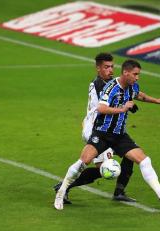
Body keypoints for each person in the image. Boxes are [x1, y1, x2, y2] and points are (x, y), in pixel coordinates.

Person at [54, 59, 160, 210]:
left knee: (144, 160)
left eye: (138, 75)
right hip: (102, 133)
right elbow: (101, 108)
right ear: (126, 73)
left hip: (119, 135)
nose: (137, 77)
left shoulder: (132, 86)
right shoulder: (110, 87)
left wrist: (157, 101)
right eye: (135, 74)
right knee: (87, 163)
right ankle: (61, 190)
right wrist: (122, 109)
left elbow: (138, 95)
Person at [53, 52, 136, 203]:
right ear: (98, 68)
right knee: (105, 169)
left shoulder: (112, 83)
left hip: (108, 129)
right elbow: (107, 104)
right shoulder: (100, 84)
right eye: (106, 67)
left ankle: (119, 192)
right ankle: (63, 187)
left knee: (130, 154)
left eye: (112, 66)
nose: (110, 70)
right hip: (97, 130)